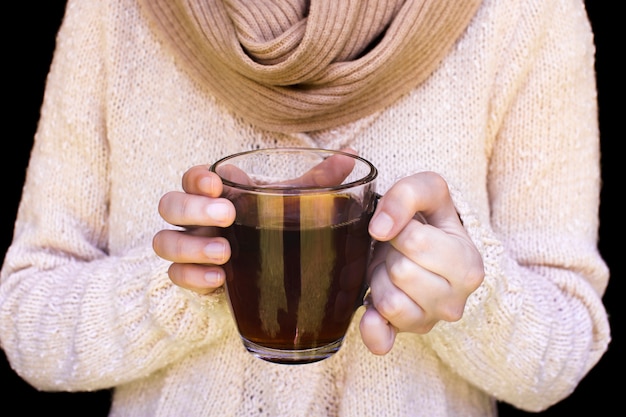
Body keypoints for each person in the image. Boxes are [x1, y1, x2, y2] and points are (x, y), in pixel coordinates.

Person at [0, 0, 611, 416]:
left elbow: (562, 355)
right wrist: (179, 288)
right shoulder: (117, 11)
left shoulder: (528, 11)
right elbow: (25, 319)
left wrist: (466, 292)